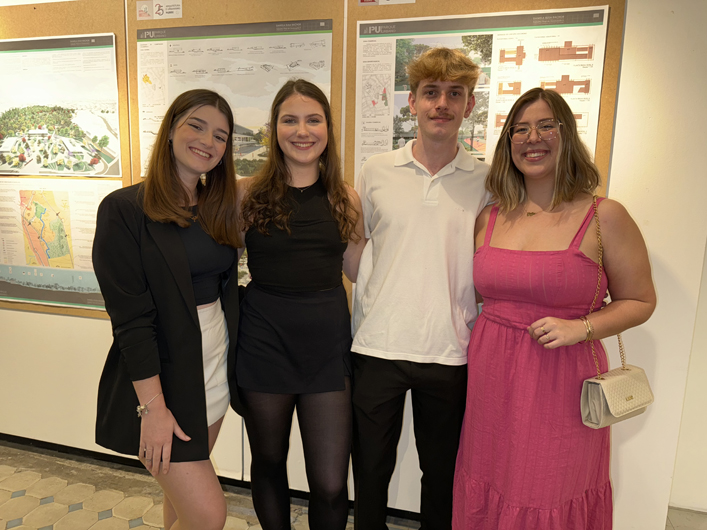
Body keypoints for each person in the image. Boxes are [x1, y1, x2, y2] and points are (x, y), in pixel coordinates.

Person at [452, 87, 656, 529]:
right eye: (520, 129)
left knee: (547, 485)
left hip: (562, 378)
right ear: (508, 143)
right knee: (490, 477)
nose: (533, 138)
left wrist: (581, 327)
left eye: (546, 126)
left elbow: (641, 301)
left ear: (567, 135)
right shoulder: (490, 216)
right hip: (492, 376)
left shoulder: (604, 216)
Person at [351, 47, 490, 530]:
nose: (442, 104)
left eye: (455, 93)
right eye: (431, 93)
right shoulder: (375, 170)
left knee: (442, 476)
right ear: (412, 102)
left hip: (450, 350)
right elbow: (359, 249)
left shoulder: (487, 180)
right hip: (377, 347)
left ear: (470, 104)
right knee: (370, 473)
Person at [93, 89, 242, 530]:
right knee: (208, 515)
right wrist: (152, 409)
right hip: (165, 377)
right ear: (172, 129)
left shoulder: (216, 207)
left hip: (213, 367)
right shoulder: (124, 210)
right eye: (196, 126)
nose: (208, 141)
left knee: (179, 506)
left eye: (220, 136)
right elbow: (131, 322)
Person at [236, 79, 365, 530]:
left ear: (328, 128)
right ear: (273, 129)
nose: (302, 131)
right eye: (289, 120)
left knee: (330, 483)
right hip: (264, 342)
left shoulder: (345, 197)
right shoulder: (246, 194)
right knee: (269, 462)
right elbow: (216, 261)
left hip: (327, 346)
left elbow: (359, 271)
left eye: (313, 119)